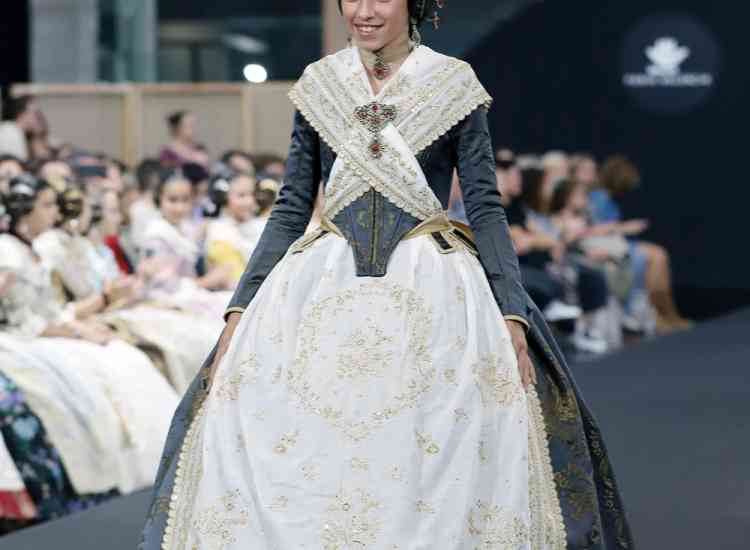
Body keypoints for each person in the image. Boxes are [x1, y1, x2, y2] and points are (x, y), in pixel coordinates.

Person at [141, 1, 634, 548]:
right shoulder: (320, 83)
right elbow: (291, 206)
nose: (364, 10)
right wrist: (239, 309)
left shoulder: (451, 82)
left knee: (430, 443)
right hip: (319, 284)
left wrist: (512, 311)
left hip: (433, 283)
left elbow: (485, 205)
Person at [0, 174, 179, 495]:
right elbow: (23, 319)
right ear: (25, 210)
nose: (56, 213)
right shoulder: (9, 253)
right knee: (97, 368)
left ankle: (154, 454)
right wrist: (75, 331)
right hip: (26, 337)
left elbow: (50, 310)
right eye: (46, 205)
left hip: (47, 329)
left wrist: (77, 327)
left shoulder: (28, 249)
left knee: (123, 356)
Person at [204, 168, 262, 285]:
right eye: (241, 195)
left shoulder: (262, 226)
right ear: (224, 197)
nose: (249, 201)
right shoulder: (215, 228)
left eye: (253, 194)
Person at [0, 96, 39, 162]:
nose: (37, 118)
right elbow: (13, 163)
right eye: (34, 113)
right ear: (21, 114)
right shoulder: (10, 132)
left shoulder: (17, 131)